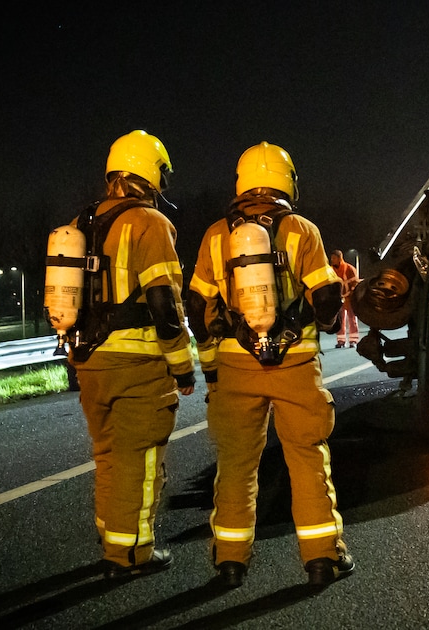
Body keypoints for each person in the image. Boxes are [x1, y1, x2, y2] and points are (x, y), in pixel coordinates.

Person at [186, 141, 355, 588]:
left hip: (235, 366)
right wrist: (323, 321)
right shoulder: (302, 229)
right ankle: (322, 557)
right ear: (288, 182)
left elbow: (194, 305)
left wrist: (211, 367)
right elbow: (326, 297)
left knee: (238, 464)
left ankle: (230, 562)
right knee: (306, 459)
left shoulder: (215, 234)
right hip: (295, 363)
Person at [67, 130, 196, 579]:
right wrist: (182, 364)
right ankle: (131, 553)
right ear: (151, 171)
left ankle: (112, 535)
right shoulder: (149, 223)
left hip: (89, 360)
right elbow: (164, 302)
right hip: (137, 364)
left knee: (107, 453)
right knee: (140, 459)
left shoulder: (83, 222)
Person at [329, 250, 360, 348]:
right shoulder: (330, 270)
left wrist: (350, 293)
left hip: (350, 298)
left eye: (334, 258)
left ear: (339, 258)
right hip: (338, 299)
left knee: (352, 319)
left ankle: (353, 340)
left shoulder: (349, 268)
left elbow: (355, 283)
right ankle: (341, 341)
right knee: (340, 320)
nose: (331, 260)